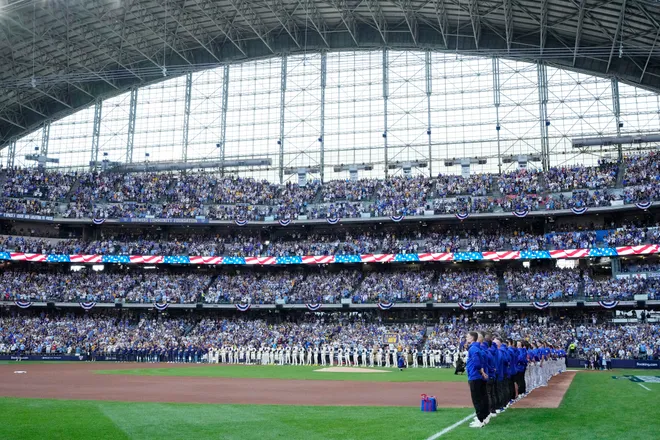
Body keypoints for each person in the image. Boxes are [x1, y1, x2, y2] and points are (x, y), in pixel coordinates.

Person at [466, 331, 489, 428]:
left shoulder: (473, 349)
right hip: (478, 376)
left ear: (472, 338)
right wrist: (482, 372)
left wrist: (481, 371)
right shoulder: (478, 348)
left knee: (477, 399)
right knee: (482, 398)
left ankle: (480, 420)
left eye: (468, 337)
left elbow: (477, 363)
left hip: (474, 376)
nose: (466, 338)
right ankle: (483, 417)